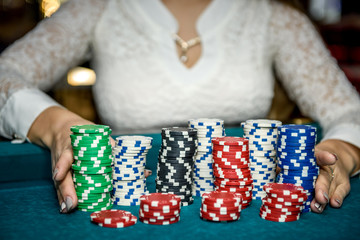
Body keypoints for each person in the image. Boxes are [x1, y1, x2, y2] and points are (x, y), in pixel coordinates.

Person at [0, 0, 359, 214]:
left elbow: (349, 112)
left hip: (246, 194)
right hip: (131, 192)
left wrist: (343, 149)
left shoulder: (275, 15)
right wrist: (57, 124)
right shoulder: (96, 8)